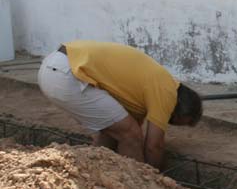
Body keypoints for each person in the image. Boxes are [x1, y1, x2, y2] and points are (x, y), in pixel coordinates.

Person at [37, 40, 202, 169]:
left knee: (118, 131)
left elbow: (113, 133)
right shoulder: (167, 92)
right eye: (177, 122)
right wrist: (156, 180)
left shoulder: (145, 91)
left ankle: (94, 174)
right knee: (131, 134)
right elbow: (154, 146)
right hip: (68, 73)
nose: (168, 122)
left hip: (55, 65)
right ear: (181, 109)